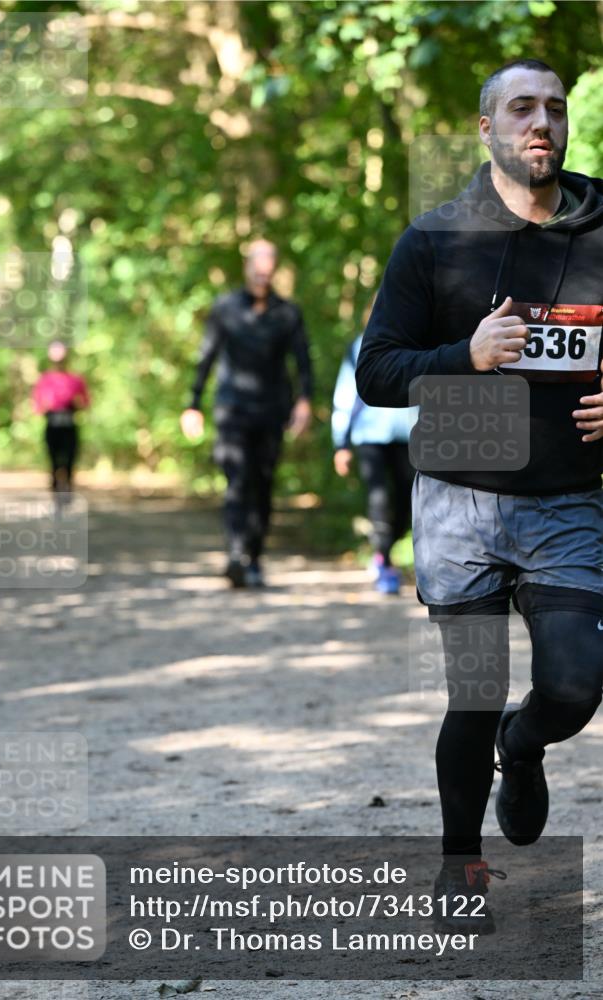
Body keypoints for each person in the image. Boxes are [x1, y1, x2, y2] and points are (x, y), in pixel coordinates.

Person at [356, 59, 603, 933]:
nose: (540, 122)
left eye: (553, 108)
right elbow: (377, 372)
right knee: (471, 692)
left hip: (565, 499)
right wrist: (463, 355)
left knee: (574, 685)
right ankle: (460, 862)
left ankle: (522, 743)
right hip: (458, 501)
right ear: (486, 128)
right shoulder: (434, 239)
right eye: (521, 108)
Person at [180, 239, 313, 588]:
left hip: (272, 410)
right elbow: (206, 356)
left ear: (274, 272)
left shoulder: (288, 313)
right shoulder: (225, 308)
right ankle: (236, 555)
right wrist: (192, 404)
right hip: (232, 409)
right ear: (247, 268)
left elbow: (302, 360)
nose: (261, 277)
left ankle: (254, 557)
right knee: (237, 480)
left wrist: (304, 401)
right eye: (257, 270)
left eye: (268, 272)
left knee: (263, 484)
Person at [331, 319, 418, 594]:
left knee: (407, 499)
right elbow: (345, 394)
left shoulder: (418, 340)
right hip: (369, 435)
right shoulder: (360, 345)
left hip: (409, 435)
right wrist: (341, 443)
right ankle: (384, 560)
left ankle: (385, 549)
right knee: (378, 496)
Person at [32, 340, 90, 497]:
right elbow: (37, 406)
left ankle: (68, 483)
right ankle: (55, 484)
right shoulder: (45, 380)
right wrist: (46, 406)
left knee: (71, 454)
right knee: (53, 455)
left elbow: (85, 403)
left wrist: (77, 403)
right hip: (52, 422)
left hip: (69, 422)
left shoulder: (75, 380)